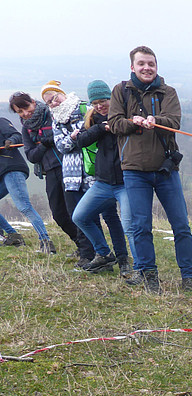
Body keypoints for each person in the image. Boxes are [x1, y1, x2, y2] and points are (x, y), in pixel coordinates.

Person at [107, 45, 192, 294]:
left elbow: (174, 122)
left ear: (156, 67)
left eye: (151, 64)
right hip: (134, 170)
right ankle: (149, 277)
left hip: (165, 169)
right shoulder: (120, 91)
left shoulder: (167, 91)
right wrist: (131, 122)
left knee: (181, 225)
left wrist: (156, 121)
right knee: (141, 226)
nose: (147, 68)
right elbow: (113, 124)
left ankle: (189, 277)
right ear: (132, 67)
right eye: (142, 64)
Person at [44, 80, 127, 271]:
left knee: (110, 216)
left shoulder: (89, 110)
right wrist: (81, 135)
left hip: (103, 173)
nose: (53, 103)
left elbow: (81, 138)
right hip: (80, 174)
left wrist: (76, 137)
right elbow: (64, 145)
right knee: (81, 216)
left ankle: (122, 259)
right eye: (49, 102)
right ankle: (101, 255)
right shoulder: (68, 119)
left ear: (62, 93)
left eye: (54, 97)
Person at [71, 80, 134, 276]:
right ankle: (104, 254)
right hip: (103, 182)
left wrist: (114, 125)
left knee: (127, 224)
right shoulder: (93, 120)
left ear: (111, 98)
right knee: (80, 217)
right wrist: (101, 128)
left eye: (104, 101)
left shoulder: (123, 115)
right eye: (96, 102)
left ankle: (128, 262)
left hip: (126, 181)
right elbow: (81, 141)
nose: (100, 106)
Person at [10, 91, 79, 255]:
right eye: (20, 111)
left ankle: (87, 249)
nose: (25, 113)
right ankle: (81, 244)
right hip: (49, 171)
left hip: (69, 167)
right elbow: (31, 156)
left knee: (75, 211)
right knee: (58, 214)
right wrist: (44, 144)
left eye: (26, 107)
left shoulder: (52, 114)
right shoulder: (27, 129)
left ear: (33, 102)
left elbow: (65, 137)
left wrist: (47, 142)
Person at [0, 116, 54, 252]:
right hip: (2, 172)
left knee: (24, 206)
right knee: (24, 206)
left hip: (12, 168)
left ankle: (46, 242)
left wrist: (10, 141)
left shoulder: (1, 121)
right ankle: (13, 235)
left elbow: (16, 135)